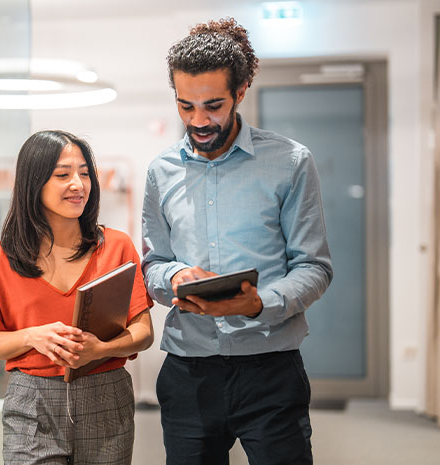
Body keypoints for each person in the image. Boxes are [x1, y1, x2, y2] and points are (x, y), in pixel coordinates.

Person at [141, 18, 333, 465]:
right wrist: (175, 276)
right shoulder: (160, 171)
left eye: (213, 105)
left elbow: (314, 267)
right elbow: (153, 265)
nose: (199, 121)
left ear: (241, 91)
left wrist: (257, 303)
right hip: (188, 373)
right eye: (185, 106)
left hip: (271, 370)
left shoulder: (290, 162)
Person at [0, 130, 154, 464]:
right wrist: (32, 336)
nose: (78, 184)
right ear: (34, 182)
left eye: (84, 173)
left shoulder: (117, 247)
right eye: (63, 175)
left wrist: (102, 349)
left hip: (106, 395)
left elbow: (143, 333)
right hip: (32, 400)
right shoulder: (1, 257)